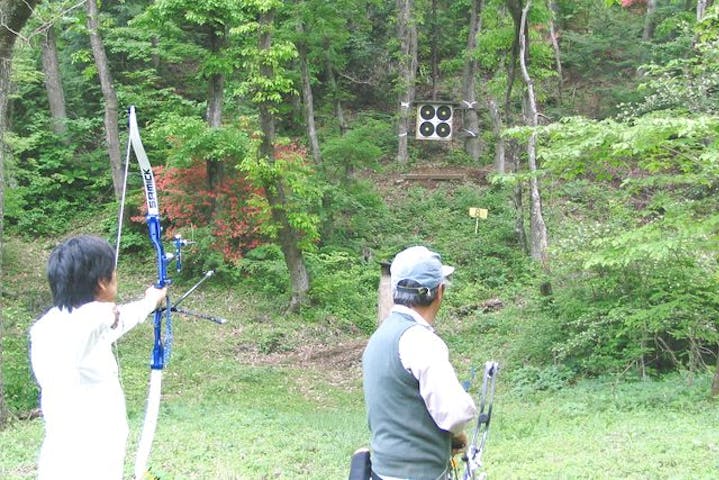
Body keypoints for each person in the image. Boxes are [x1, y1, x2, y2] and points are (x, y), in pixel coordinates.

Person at [29, 235, 167, 480]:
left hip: (95, 462)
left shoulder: (69, 325)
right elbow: (93, 322)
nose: (117, 276)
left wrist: (150, 301)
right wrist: (106, 312)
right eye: (113, 272)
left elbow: (118, 319)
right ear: (102, 282)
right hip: (79, 467)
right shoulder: (61, 331)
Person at [362, 246, 476, 480]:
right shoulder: (421, 341)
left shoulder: (379, 338)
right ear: (439, 292)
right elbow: (455, 414)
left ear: (395, 291)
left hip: (382, 473)